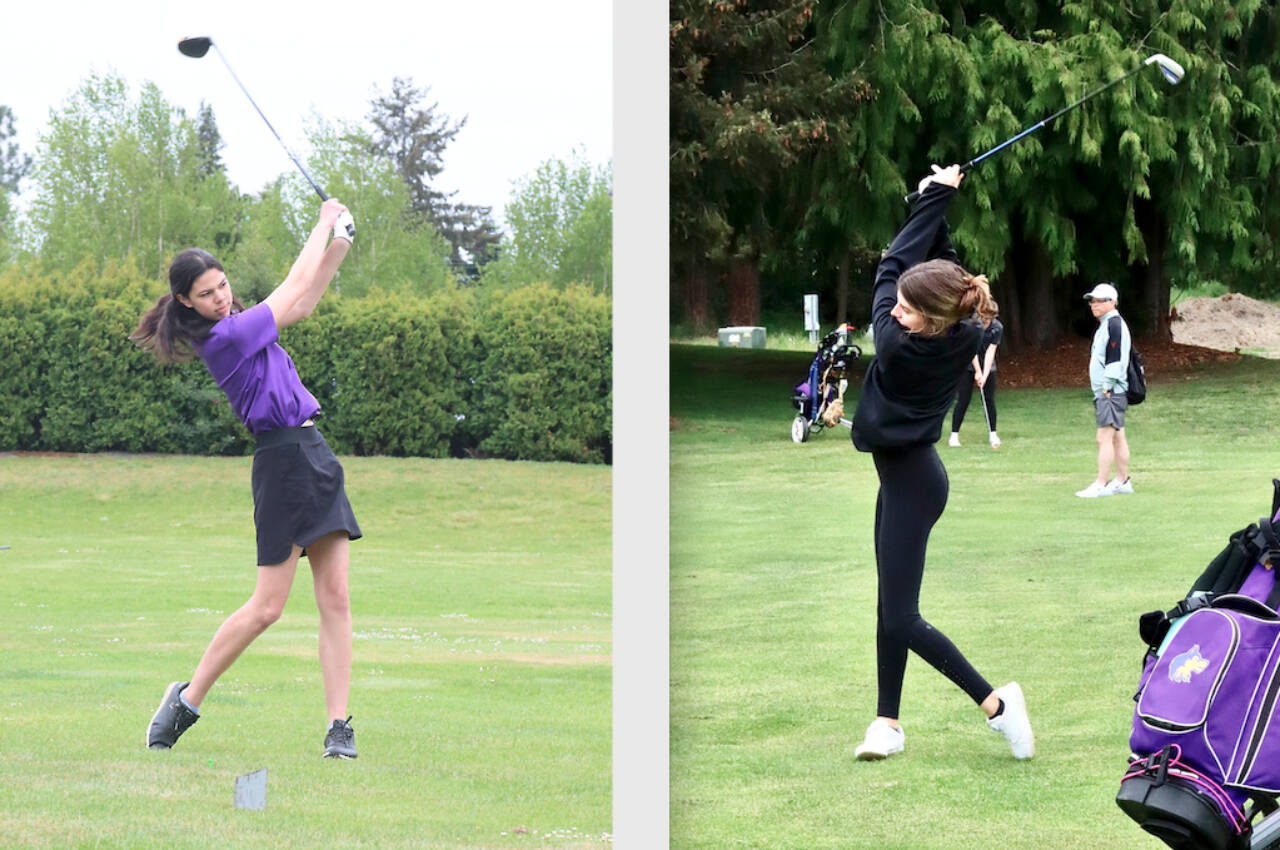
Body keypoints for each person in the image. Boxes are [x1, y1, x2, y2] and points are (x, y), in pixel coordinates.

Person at [131, 198, 363, 759]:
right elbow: (292, 285)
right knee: (268, 608)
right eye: (207, 293)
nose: (221, 297)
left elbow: (303, 303)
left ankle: (338, 728)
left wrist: (341, 245)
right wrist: (323, 220)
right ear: (186, 301)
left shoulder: (239, 325)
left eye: (223, 285)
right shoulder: (224, 340)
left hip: (314, 451)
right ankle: (185, 700)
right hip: (281, 463)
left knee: (336, 596)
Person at [848, 164, 1033, 761]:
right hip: (908, 478)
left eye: (904, 308)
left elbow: (890, 264)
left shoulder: (897, 343)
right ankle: (888, 723)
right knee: (890, 607)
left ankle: (999, 705)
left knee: (901, 616)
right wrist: (939, 202)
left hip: (914, 484)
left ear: (924, 320)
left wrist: (934, 198)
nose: (894, 311)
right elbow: (944, 277)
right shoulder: (966, 330)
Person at [1076, 282, 1135, 498]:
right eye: (1092, 301)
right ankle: (1122, 481)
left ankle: (1101, 484)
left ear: (1111, 302)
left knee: (1104, 438)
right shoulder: (1107, 324)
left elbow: (1115, 358)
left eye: (1098, 301)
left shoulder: (1114, 324)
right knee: (1118, 437)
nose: (1093, 304)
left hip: (1110, 391)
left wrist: (1107, 385)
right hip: (1110, 389)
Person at [947, 315, 1003, 448]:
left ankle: (993, 434)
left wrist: (984, 375)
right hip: (967, 363)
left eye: (988, 321)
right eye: (983, 320)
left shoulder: (997, 327)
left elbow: (990, 352)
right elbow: (972, 351)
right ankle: (954, 436)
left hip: (988, 366)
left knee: (989, 399)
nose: (985, 323)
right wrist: (978, 371)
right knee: (963, 399)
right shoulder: (971, 325)